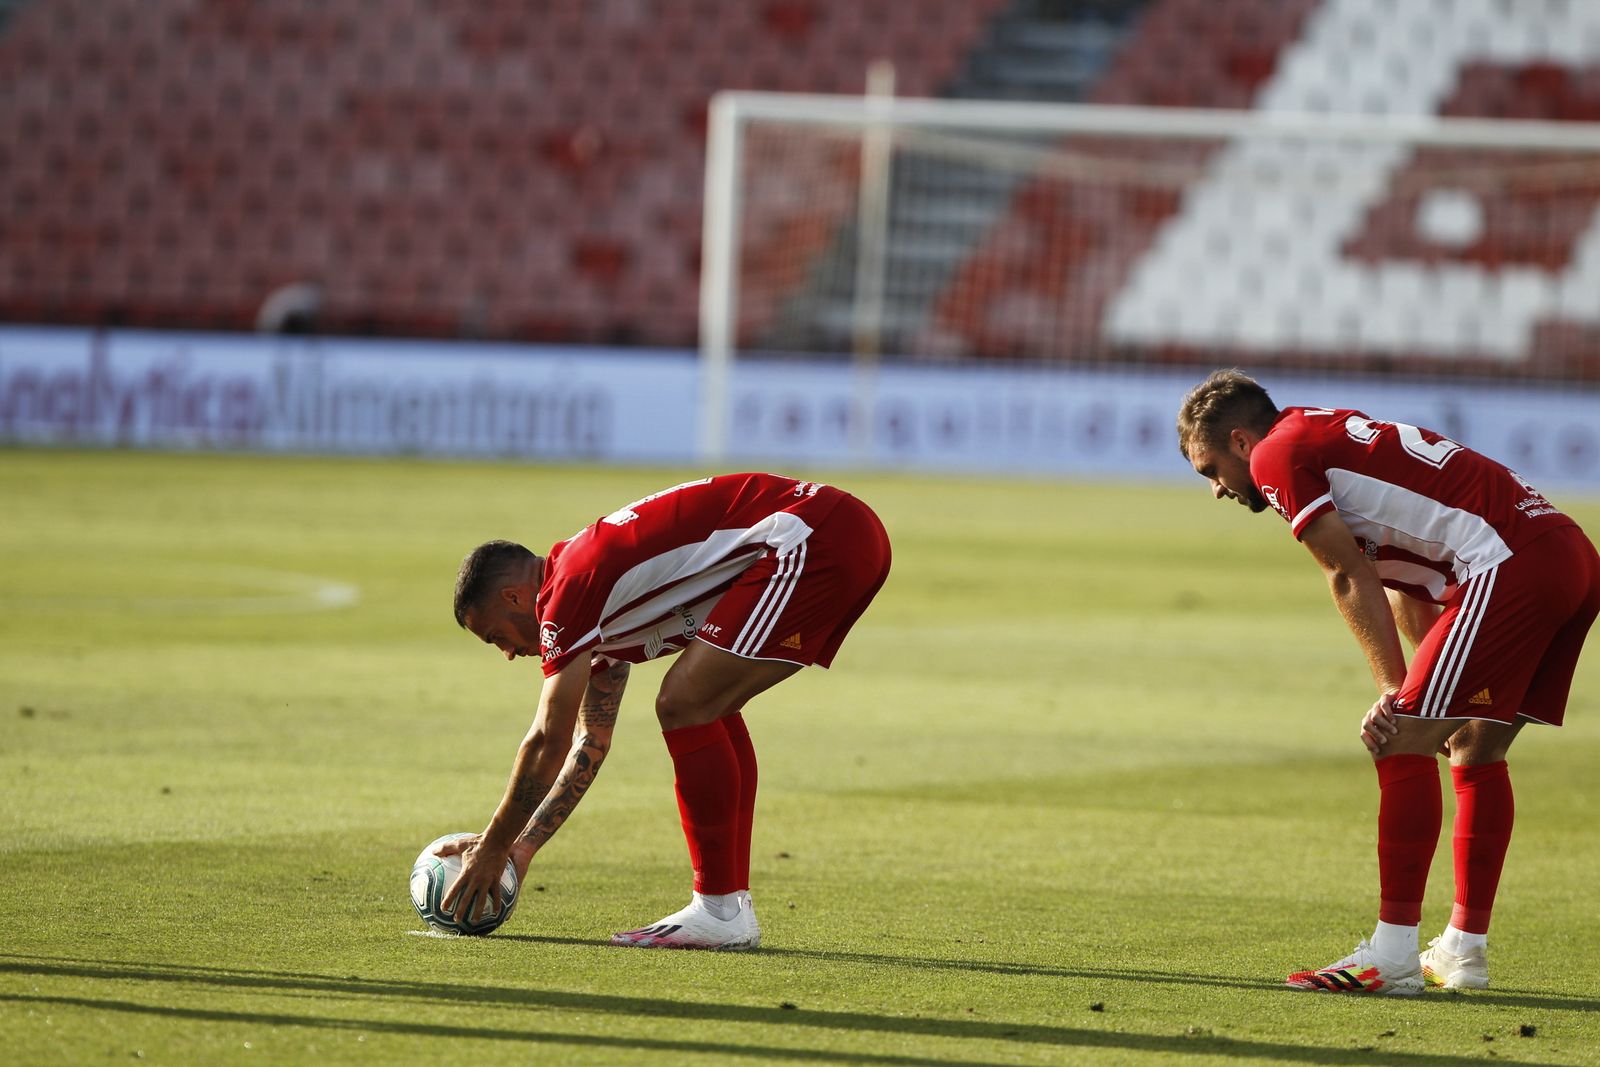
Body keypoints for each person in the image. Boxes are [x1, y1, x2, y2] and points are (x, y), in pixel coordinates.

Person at [1176, 369, 1599, 995]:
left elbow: (1347, 575)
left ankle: (1392, 956)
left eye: (1210, 469)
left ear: (1240, 442)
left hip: (1505, 563)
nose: (1218, 489)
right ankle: (1462, 951)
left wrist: (1393, 697)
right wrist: (1409, 689)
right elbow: (1404, 582)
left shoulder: (1275, 455)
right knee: (1475, 747)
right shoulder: (1319, 434)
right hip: (1568, 556)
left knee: (1399, 740)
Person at [436, 473, 891, 950]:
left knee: (685, 703)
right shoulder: (588, 599)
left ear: (514, 597)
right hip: (836, 531)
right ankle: (726, 906)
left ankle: (718, 910)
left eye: (497, 636)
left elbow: (547, 739)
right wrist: (520, 849)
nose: (508, 652)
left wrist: (490, 847)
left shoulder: (567, 592)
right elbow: (590, 742)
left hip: (816, 536)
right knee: (707, 705)